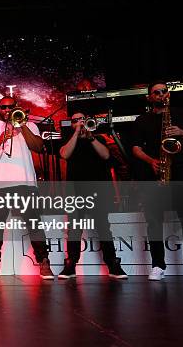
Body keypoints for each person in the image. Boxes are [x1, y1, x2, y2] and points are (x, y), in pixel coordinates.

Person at [131, 81, 183, 281]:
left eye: (164, 91)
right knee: (154, 222)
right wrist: (151, 161)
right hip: (157, 176)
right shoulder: (142, 120)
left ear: (168, 95)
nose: (161, 95)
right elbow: (136, 148)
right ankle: (158, 265)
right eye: (156, 92)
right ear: (150, 97)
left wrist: (181, 132)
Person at [0, 95, 54, 279]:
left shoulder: (30, 125)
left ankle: (44, 262)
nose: (7, 110)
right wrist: (4, 137)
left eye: (10, 107)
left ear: (16, 107)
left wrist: (22, 125)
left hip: (25, 183)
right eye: (3, 107)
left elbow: (38, 146)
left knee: (34, 225)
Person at [58, 112, 128, 279]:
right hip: (76, 191)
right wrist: (76, 133)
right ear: (72, 124)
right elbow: (64, 154)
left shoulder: (99, 139)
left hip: (98, 190)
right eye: (76, 121)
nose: (80, 122)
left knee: (103, 227)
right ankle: (71, 265)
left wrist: (90, 137)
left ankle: (112, 264)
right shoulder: (69, 141)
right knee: (74, 228)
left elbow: (105, 155)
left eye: (82, 119)